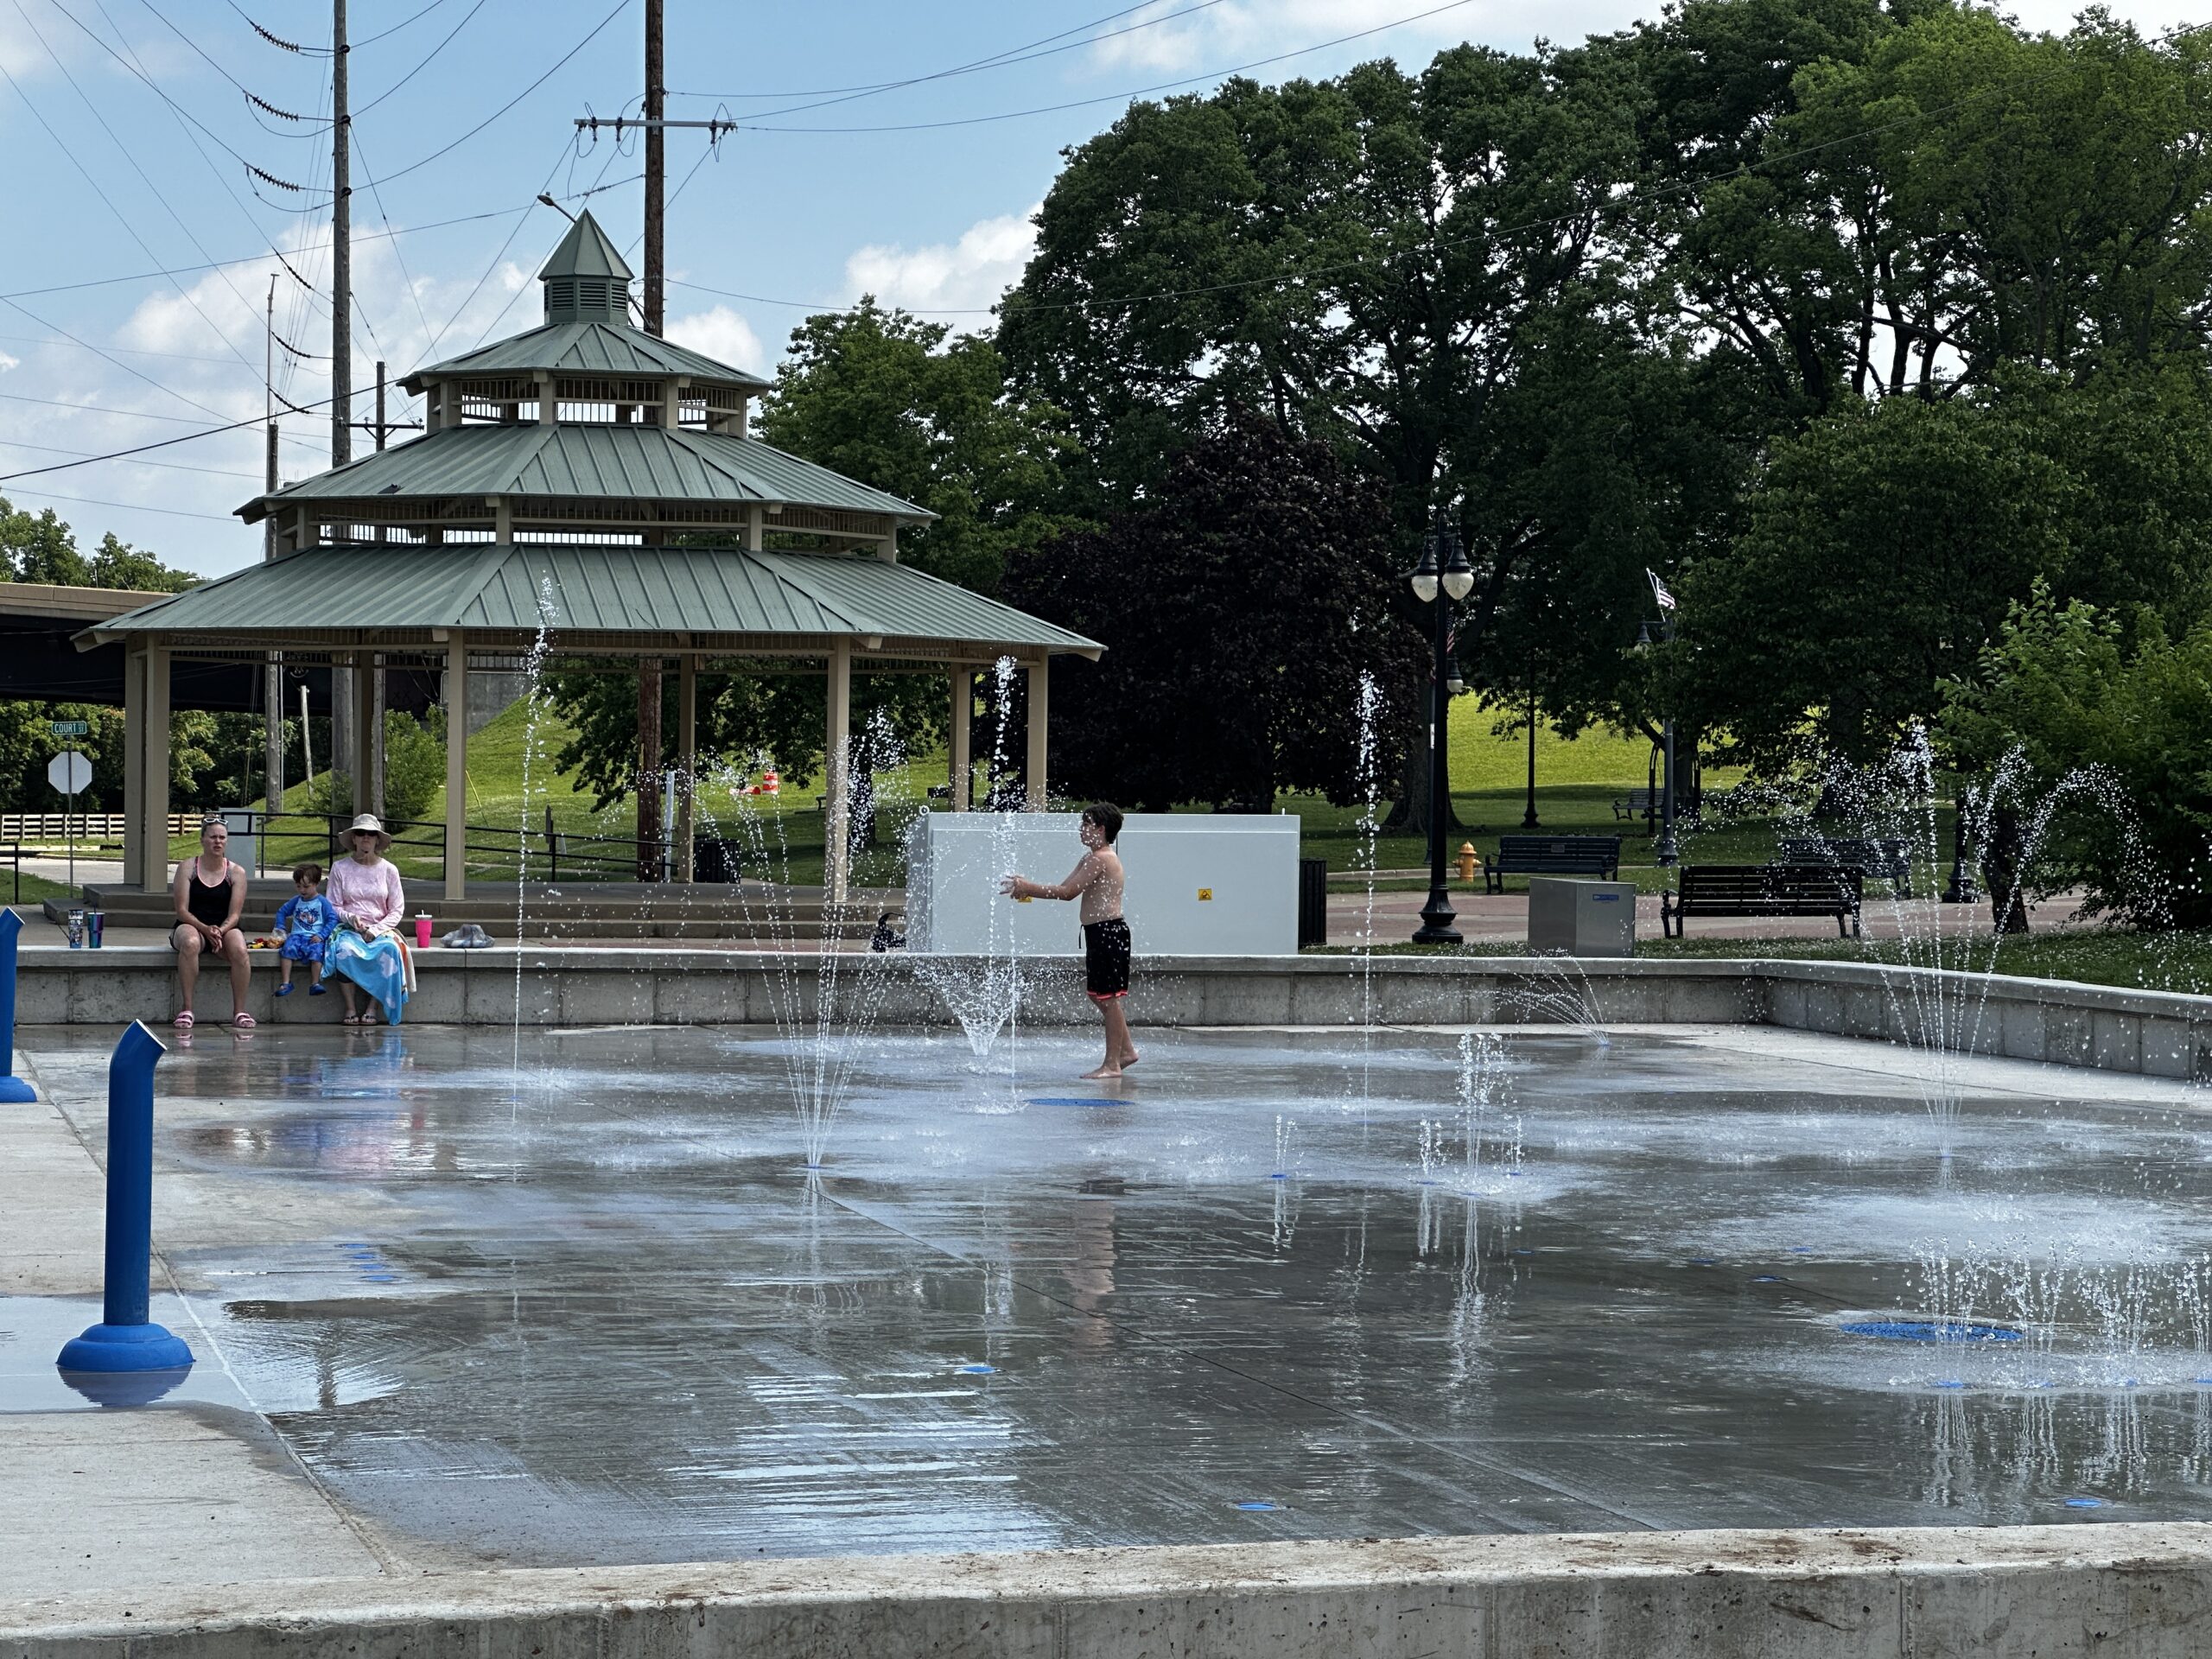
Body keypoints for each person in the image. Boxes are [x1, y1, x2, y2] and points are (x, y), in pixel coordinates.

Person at [1001, 803, 1139, 1080]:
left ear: (1100, 829)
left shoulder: (1102, 858)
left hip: (1108, 932)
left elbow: (1067, 893)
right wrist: (1027, 887)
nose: (1080, 830)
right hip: (1099, 933)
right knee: (1099, 995)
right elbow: (1063, 887)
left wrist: (1028, 888)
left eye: (1085, 824)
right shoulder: (1092, 857)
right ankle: (1126, 1052)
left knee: (1108, 999)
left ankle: (1113, 1064)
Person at [324, 814, 415, 1026]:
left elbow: (396, 909)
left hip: (380, 928)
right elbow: (332, 905)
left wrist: (376, 929)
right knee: (343, 949)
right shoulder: (340, 868)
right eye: (360, 833)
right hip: (349, 928)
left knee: (390, 950)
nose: (366, 838)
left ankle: (373, 1006)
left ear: (377, 840)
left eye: (371, 834)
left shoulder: (389, 870)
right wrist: (350, 918)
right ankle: (350, 1007)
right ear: (353, 839)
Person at [171, 817, 252, 1030]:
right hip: (192, 924)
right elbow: (181, 910)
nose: (218, 842)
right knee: (189, 942)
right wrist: (205, 930)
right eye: (213, 837)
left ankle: (240, 1011)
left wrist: (219, 931)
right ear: (202, 840)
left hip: (223, 926)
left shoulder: (236, 872)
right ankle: (187, 1008)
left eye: (222, 838)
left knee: (240, 949)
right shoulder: (187, 868)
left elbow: (235, 915)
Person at [272, 862, 334, 998]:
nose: (302, 890)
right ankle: (286, 982)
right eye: (298, 886)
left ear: (316, 884)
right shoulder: (296, 900)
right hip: (296, 936)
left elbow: (332, 919)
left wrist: (322, 935)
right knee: (287, 950)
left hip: (314, 937)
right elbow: (281, 912)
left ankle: (315, 983)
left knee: (317, 953)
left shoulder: (322, 902)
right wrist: (281, 927)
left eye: (306, 886)